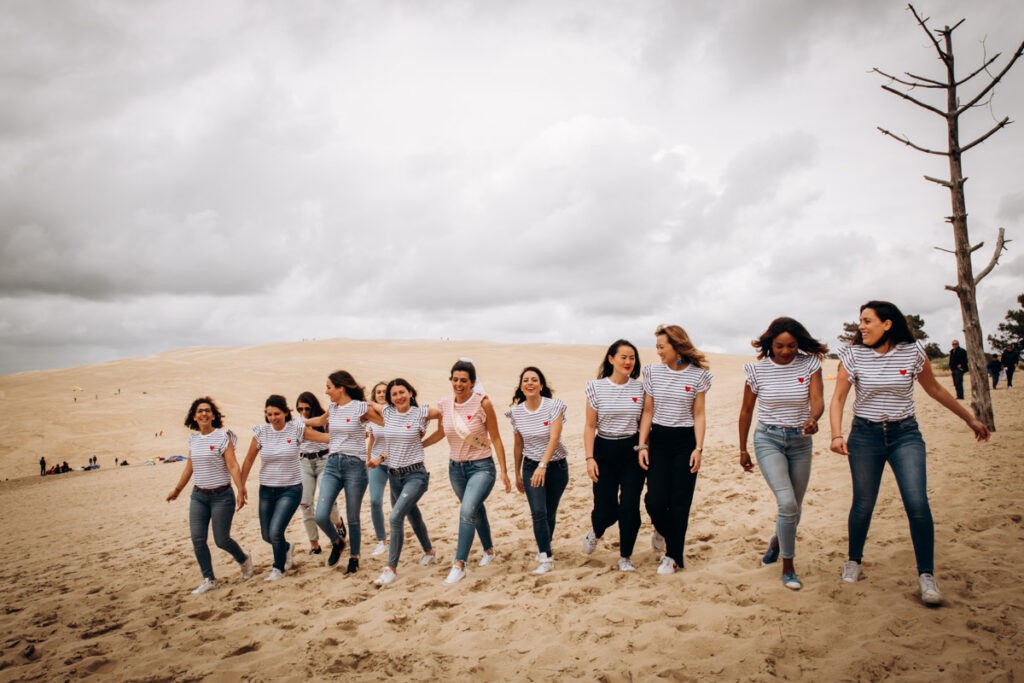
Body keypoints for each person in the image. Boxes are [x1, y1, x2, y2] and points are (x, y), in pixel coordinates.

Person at [829, 300, 990, 605]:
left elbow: (936, 390)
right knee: (863, 502)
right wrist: (836, 435)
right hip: (865, 436)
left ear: (887, 324)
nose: (860, 326)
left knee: (916, 501)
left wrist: (969, 418)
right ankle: (854, 561)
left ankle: (926, 576)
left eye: (867, 321)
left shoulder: (913, 352)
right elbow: (838, 400)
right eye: (860, 321)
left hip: (905, 435)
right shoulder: (852, 355)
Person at [738, 317, 828, 590]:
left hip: (800, 441)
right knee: (787, 503)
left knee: (794, 508)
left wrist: (814, 419)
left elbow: (817, 400)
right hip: (768, 439)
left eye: (791, 346)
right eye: (780, 346)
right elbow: (746, 411)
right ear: (770, 344)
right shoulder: (757, 371)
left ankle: (777, 541)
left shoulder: (810, 364)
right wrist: (742, 448)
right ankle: (788, 567)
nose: (786, 351)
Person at [424, 360, 510, 585]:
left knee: (467, 510)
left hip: (482, 467)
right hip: (456, 470)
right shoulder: (445, 404)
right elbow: (440, 431)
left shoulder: (483, 404)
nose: (459, 384)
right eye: (455, 380)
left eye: (464, 380)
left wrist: (504, 472)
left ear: (472, 382)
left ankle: (459, 564)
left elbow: (497, 439)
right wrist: (420, 444)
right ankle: (489, 550)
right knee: (474, 510)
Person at [638, 324, 712, 575]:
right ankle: (662, 530)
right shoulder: (652, 373)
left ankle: (673, 556)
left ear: (676, 346)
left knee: (680, 502)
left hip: (685, 441)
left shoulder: (698, 375)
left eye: (661, 347)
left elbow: (699, 414)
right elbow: (648, 411)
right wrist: (642, 445)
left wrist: (698, 448)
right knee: (654, 500)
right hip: (658, 439)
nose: (658, 352)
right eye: (657, 347)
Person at [166, 397, 253, 595]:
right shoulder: (193, 439)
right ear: (194, 417)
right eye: (200, 411)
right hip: (199, 497)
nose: (204, 414)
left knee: (221, 539)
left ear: (213, 415)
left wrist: (241, 489)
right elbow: (190, 467)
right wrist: (177, 490)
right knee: (198, 539)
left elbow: (232, 465)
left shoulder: (223, 437)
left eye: (207, 410)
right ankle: (209, 579)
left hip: (222, 496)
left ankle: (244, 559)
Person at [240, 395, 330, 581]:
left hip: (290, 489)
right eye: (269, 414)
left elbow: (323, 437)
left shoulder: (295, 429)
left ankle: (278, 568)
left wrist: (350, 435)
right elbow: (248, 460)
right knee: (267, 535)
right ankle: (287, 548)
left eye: (277, 414)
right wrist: (241, 486)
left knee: (275, 531)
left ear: (286, 413)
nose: (273, 418)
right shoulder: (261, 432)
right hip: (266, 490)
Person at [303, 371, 382, 575]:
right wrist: (295, 423)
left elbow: (385, 423)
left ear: (341, 388)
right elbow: (320, 421)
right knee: (320, 514)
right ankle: (337, 541)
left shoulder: (360, 407)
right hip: (332, 464)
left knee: (353, 516)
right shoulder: (333, 407)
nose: (326, 391)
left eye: (329, 387)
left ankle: (354, 556)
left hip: (355, 466)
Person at [581, 340, 645, 572]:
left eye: (632, 357)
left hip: (631, 451)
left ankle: (625, 556)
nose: (628, 362)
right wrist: (590, 459)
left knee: (630, 505)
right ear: (611, 359)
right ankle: (596, 531)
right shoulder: (595, 387)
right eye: (623, 357)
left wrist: (643, 446)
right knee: (605, 510)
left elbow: (645, 420)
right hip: (604, 450)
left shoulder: (640, 388)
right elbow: (590, 426)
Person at [372, 378, 440, 586]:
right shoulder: (388, 413)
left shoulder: (421, 412)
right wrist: (380, 459)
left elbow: (445, 412)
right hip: (394, 475)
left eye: (402, 392)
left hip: (415, 475)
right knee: (412, 515)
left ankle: (391, 568)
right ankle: (429, 551)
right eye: (394, 394)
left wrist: (424, 444)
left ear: (410, 392)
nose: (399, 397)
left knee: (395, 517)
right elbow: (368, 406)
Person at [506, 366, 569, 574]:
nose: (530, 383)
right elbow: (518, 445)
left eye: (534, 380)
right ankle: (546, 557)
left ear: (541, 385)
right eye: (526, 380)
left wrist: (544, 465)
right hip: (531, 466)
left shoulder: (554, 406)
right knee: (538, 513)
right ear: (521, 386)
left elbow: (554, 438)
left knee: (549, 513)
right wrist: (516, 473)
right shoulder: (516, 412)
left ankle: (545, 546)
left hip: (557, 466)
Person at [295, 391, 343, 555]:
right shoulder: (296, 423)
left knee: (327, 499)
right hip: (304, 464)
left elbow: (335, 438)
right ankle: (314, 544)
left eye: (307, 408)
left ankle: (338, 523)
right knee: (305, 503)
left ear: (313, 407)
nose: (303, 412)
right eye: (300, 409)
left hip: (324, 461)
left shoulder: (324, 421)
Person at [365, 382, 391, 557]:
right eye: (378, 392)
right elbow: (372, 439)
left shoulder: (396, 412)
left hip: (397, 462)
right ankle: (381, 540)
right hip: (376, 464)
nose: (381, 394)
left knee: (400, 505)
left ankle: (398, 537)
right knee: (374, 501)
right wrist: (367, 460)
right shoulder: (372, 416)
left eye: (384, 391)